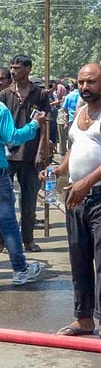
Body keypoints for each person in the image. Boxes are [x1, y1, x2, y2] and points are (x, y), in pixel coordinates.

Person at [51, 63, 101, 342]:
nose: (85, 87)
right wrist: (60, 169)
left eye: (91, 82)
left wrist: (86, 183)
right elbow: (76, 145)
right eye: (81, 82)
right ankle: (83, 318)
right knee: (78, 259)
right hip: (76, 199)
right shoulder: (80, 111)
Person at [0, 55, 50, 252]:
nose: (13, 71)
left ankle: (27, 239)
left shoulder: (40, 95)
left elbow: (44, 125)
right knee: (4, 202)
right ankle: (3, 241)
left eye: (17, 68)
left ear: (28, 69)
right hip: (7, 156)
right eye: (11, 68)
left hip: (30, 155)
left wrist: (41, 151)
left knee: (28, 201)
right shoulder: (4, 95)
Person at [0, 101, 45, 284]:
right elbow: (12, 138)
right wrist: (34, 124)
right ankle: (20, 269)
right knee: (8, 223)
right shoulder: (1, 109)